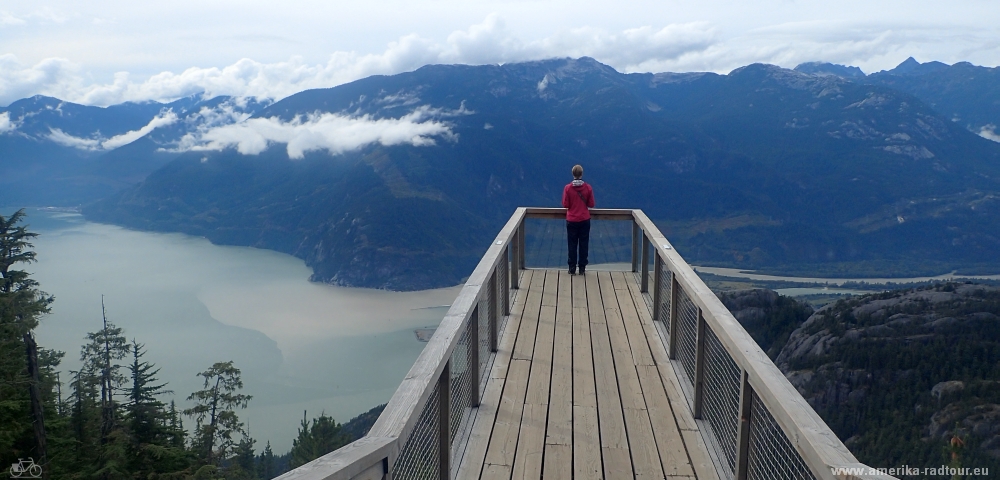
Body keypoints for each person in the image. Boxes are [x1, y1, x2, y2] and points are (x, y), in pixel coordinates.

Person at [562, 164, 595, 275]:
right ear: (581, 174)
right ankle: (582, 268)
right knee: (583, 244)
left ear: (573, 174)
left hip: (571, 220)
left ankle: (572, 267)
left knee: (572, 244)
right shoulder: (588, 188)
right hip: (585, 219)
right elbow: (591, 204)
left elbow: (566, 204)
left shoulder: (567, 188)